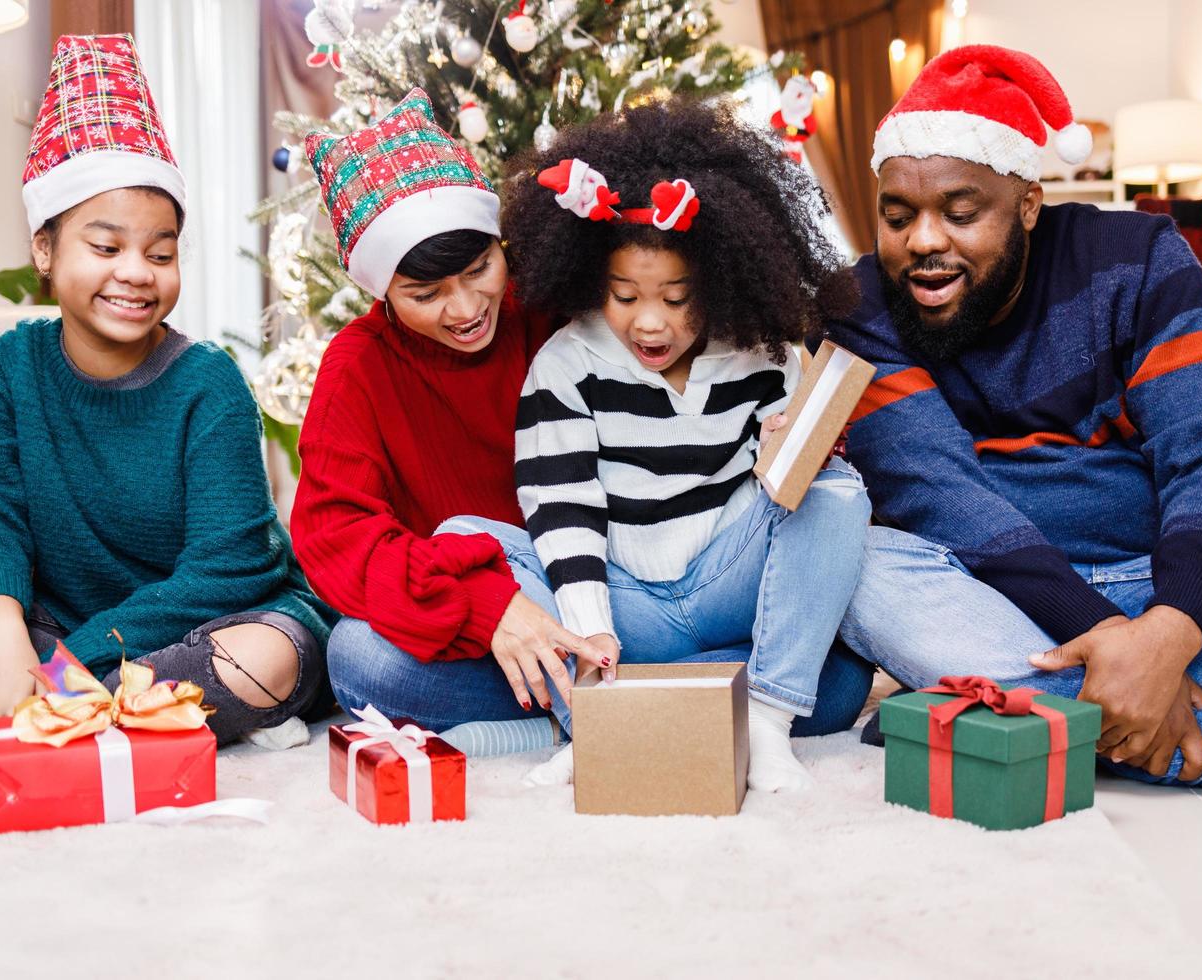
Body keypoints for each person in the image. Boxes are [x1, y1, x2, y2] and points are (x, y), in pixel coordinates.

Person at [831, 44, 1202, 822]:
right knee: (860, 564)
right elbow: (942, 498)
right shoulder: (863, 306)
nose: (922, 241)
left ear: (1026, 203)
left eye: (959, 212)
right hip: (991, 591)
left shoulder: (1137, 260)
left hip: (1156, 579)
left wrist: (1171, 628)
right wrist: (1116, 645)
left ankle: (985, 710)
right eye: (897, 216)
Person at [292, 90, 876, 760]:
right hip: (504, 603)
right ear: (381, 292)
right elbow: (336, 538)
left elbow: (697, 335)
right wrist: (489, 610)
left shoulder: (555, 302)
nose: (463, 308)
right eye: (424, 295)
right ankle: (678, 704)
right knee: (362, 659)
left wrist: (792, 429)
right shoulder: (358, 367)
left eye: (480, 268)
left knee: (836, 678)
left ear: (501, 243)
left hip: (621, 591)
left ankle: (600, 715)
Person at [0, 34, 334, 775]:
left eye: (160, 253)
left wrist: (66, 665)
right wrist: (3, 637)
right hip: (53, 625)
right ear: (45, 249)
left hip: (200, 627)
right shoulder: (1, 372)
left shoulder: (210, 384)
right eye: (105, 248)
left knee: (267, 660)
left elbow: (227, 573)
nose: (136, 274)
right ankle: (125, 720)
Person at [498, 99, 871, 791]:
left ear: (723, 280)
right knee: (475, 541)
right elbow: (562, 504)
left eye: (677, 298)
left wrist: (788, 461)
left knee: (840, 493)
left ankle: (764, 715)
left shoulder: (763, 356)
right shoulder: (568, 361)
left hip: (726, 578)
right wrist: (592, 635)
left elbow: (792, 497)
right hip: (626, 601)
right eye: (623, 295)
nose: (649, 322)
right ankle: (604, 719)